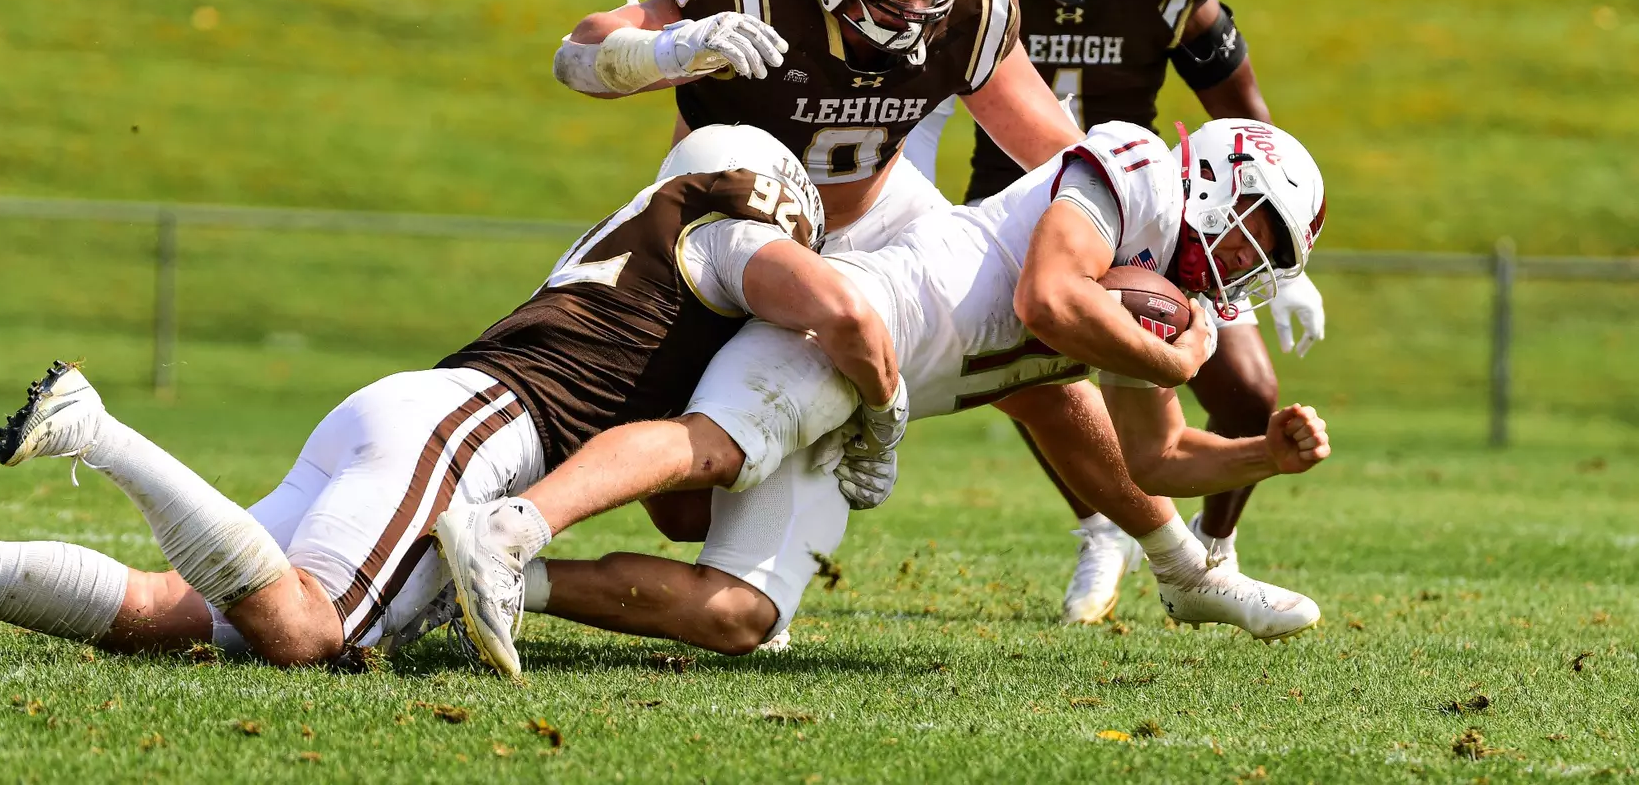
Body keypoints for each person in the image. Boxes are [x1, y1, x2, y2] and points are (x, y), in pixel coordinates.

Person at [543, 0, 1188, 646]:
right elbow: (577, 55)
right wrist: (670, 49)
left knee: (1037, 359)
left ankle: (1180, 556)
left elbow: (1054, 149)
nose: (920, 1)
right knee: (679, 508)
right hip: (738, 244)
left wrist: (1132, 228)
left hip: (885, 221)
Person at [442, 118, 1333, 674]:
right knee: (716, 446)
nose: (1250, 266)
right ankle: (512, 527)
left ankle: (494, 589)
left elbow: (1154, 459)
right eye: (1259, 233)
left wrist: (1264, 456)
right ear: (1218, 179)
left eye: (1272, 259)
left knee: (738, 617)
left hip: (872, 400)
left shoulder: (1156, 307)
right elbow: (1047, 299)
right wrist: (1171, 362)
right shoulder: (1134, 164)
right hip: (856, 321)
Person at [0, 126, 898, 671]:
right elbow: (844, 308)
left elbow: (674, 512)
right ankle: (95, 430)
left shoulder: (633, 245)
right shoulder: (726, 234)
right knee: (309, 633)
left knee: (184, 617)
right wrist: (882, 406)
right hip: (471, 434)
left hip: (426, 412)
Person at [901, 0, 1328, 624]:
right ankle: (1105, 523)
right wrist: (907, 198)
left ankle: (1211, 551)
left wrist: (1285, 252)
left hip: (1163, 216)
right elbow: (924, 90)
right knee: (1036, 365)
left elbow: (1242, 113)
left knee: (1243, 385)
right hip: (1021, 203)